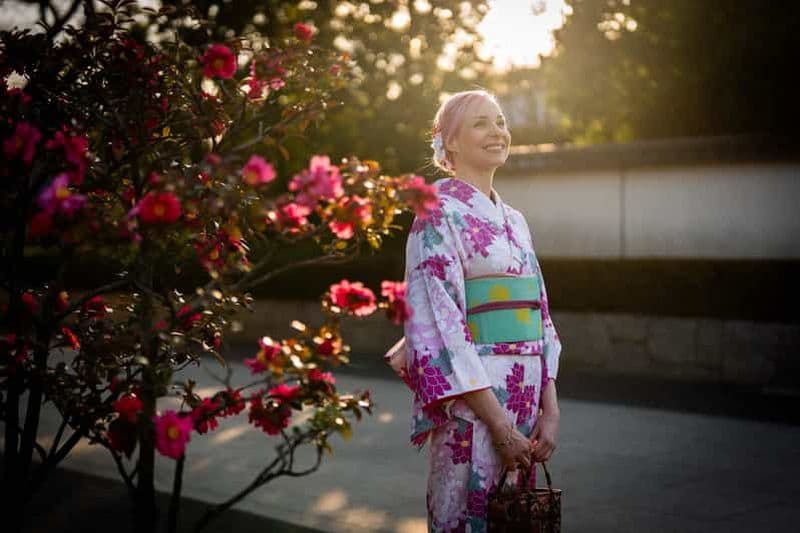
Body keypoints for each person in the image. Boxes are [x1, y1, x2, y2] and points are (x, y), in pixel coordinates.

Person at [383, 89, 562, 532]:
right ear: (451, 142)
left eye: (500, 121)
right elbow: (438, 325)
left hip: (525, 399)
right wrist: (499, 425)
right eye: (481, 123)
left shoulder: (515, 220)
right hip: (473, 404)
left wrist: (551, 408)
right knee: (467, 516)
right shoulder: (436, 213)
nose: (498, 131)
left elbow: (540, 312)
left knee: (513, 521)